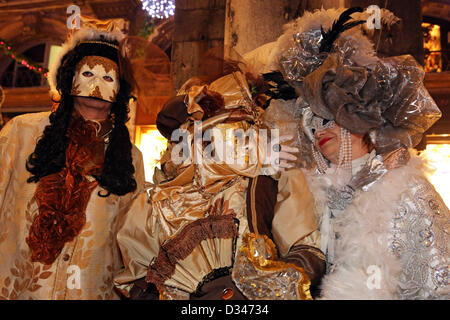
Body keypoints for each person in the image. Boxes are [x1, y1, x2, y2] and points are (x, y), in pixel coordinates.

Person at [259, 7, 449, 299]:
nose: (319, 130)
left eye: (329, 118)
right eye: (312, 121)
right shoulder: (301, 193)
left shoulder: (407, 190)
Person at [114, 54, 326, 300]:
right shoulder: (156, 205)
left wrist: (253, 288)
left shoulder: (271, 182)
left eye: (242, 131)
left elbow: (306, 254)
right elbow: (138, 281)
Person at [0, 17, 145, 299]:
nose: (96, 87)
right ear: (70, 78)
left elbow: (133, 237)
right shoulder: (21, 133)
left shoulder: (131, 158)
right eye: (88, 74)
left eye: (108, 78)